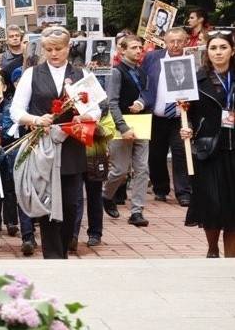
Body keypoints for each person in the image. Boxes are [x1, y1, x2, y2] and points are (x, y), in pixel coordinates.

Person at [10, 26, 99, 258]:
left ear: (68, 47)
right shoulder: (32, 74)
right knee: (47, 204)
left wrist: (85, 116)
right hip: (43, 148)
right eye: (48, 49)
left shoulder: (81, 74)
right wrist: (36, 119)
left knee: (70, 204)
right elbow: (16, 110)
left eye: (58, 49)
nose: (54, 54)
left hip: (71, 146)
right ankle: (52, 257)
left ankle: (65, 248)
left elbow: (97, 110)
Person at [180, 29, 235, 256]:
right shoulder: (196, 79)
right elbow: (188, 114)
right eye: (213, 48)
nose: (218, 52)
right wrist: (187, 127)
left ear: (232, 51)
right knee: (212, 204)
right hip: (208, 150)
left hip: (234, 151)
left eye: (223, 47)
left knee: (233, 208)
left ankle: (231, 258)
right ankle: (212, 250)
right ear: (207, 51)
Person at [101, 36, 150, 227]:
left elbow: (147, 93)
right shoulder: (116, 72)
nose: (139, 50)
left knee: (142, 169)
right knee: (120, 170)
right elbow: (111, 102)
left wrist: (143, 102)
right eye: (134, 47)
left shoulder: (142, 71)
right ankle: (106, 194)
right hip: (122, 125)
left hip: (142, 123)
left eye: (140, 47)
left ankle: (137, 211)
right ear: (122, 51)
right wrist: (123, 127)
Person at [142, 27, 192, 205]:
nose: (176, 45)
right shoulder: (152, 58)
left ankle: (183, 192)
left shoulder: (191, 60)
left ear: (186, 41)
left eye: (180, 41)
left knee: (181, 153)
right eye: (172, 41)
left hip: (181, 116)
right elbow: (144, 82)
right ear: (165, 41)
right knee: (156, 155)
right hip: (157, 115)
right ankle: (160, 188)